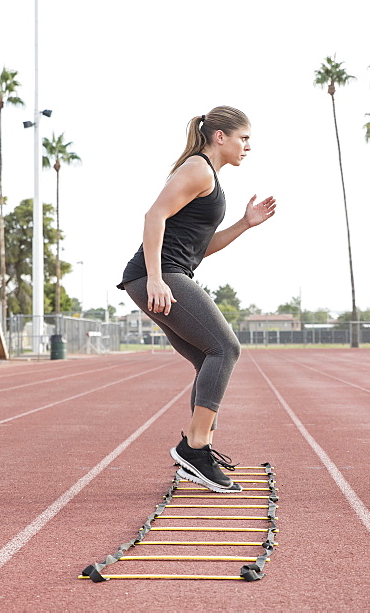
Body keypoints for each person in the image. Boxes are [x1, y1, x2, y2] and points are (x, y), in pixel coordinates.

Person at [117, 106, 276, 493]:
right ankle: (195, 448)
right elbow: (154, 216)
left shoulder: (210, 178)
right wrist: (156, 278)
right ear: (220, 136)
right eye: (244, 138)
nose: (248, 147)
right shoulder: (199, 168)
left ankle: (196, 451)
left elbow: (199, 248)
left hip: (167, 273)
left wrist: (244, 224)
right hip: (157, 276)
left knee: (209, 356)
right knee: (226, 348)